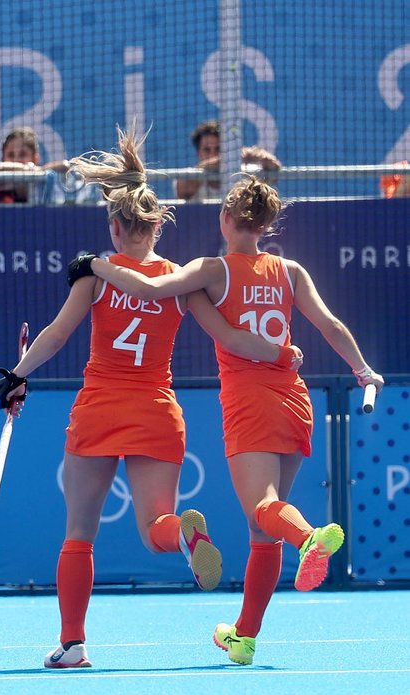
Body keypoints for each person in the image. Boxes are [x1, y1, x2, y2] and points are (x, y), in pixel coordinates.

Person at [0, 127, 303, 670]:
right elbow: (229, 336)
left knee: (79, 534)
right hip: (157, 412)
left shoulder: (93, 276)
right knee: (153, 525)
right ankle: (181, 531)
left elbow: (57, 334)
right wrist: (280, 353)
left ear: (115, 225)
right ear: (159, 225)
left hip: (99, 409)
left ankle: (73, 644)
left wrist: (17, 374)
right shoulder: (182, 281)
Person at [75, 173, 384, 666]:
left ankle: (308, 538)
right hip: (295, 399)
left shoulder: (212, 270)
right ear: (267, 224)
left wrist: (94, 265)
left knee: (264, 510)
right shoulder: (291, 271)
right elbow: (331, 324)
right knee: (263, 531)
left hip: (250, 401)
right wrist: (362, 368)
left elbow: (148, 287)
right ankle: (244, 635)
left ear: (225, 218)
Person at [174, 120, 281, 202]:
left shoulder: (246, 173)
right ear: (198, 153)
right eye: (207, 150)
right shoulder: (189, 176)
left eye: (218, 149)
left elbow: (274, 173)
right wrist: (232, 157)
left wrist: (262, 156)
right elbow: (182, 191)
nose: (212, 154)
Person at [0, 127, 69, 205]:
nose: (16, 160)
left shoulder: (41, 182)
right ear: (3, 158)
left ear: (35, 158)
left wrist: (37, 171)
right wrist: (26, 168)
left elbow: (65, 166)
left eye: (22, 154)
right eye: (11, 155)